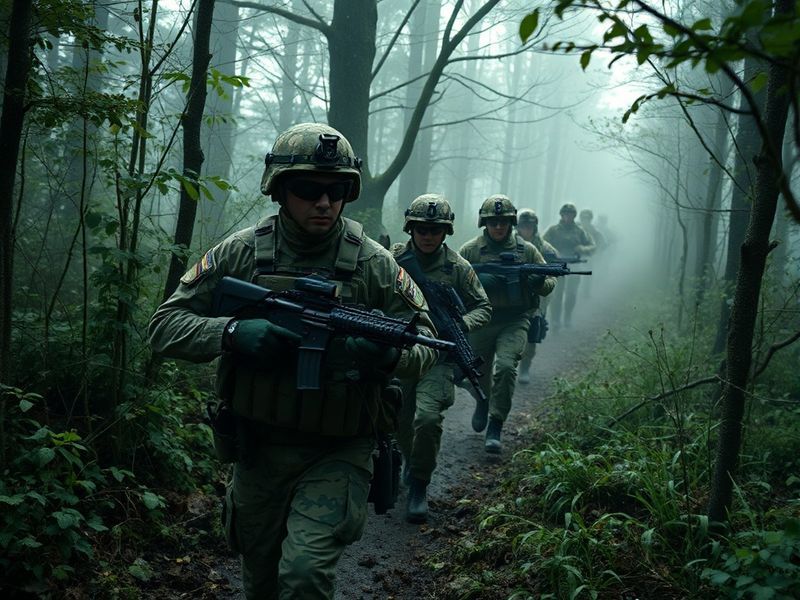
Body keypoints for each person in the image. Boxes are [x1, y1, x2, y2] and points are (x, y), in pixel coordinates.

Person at [148, 123, 440, 600]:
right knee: (260, 583)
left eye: (337, 190)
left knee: (303, 576)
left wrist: (389, 356)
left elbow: (425, 345)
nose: (324, 203)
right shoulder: (241, 253)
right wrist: (232, 331)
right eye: (308, 189)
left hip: (340, 449)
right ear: (280, 191)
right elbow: (164, 327)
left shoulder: (376, 264)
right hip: (258, 447)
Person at [390, 194, 491, 523]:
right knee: (400, 419)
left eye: (435, 229)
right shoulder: (392, 259)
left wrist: (461, 324)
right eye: (421, 228)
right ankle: (410, 462)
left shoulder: (458, 267)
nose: (428, 235)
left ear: (445, 232)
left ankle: (419, 485)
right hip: (402, 350)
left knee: (428, 419)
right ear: (411, 228)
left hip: (439, 356)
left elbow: (483, 307)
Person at [459, 195, 556, 454]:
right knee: (474, 374)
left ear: (511, 222)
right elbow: (453, 281)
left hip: (516, 320)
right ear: (484, 223)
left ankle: (496, 424)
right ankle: (482, 400)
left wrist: (536, 280)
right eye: (493, 222)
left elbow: (549, 283)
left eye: (503, 222)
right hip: (481, 319)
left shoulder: (527, 251)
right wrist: (479, 282)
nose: (498, 227)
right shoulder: (470, 250)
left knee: (504, 368)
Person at [515, 209, 558, 384]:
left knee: (532, 336)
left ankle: (525, 367)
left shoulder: (546, 249)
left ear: (535, 227)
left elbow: (553, 275)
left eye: (529, 226)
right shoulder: (508, 244)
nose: (526, 230)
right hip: (512, 298)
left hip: (537, 300)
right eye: (523, 226)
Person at [542, 203, 595, 329]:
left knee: (571, 294)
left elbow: (592, 246)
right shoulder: (553, 229)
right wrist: (551, 252)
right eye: (565, 214)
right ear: (561, 215)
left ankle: (567, 318)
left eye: (570, 214)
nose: (568, 217)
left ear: (574, 216)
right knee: (557, 294)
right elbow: (541, 243)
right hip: (557, 265)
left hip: (574, 266)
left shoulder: (580, 231)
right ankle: (555, 320)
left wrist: (583, 248)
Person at [578, 208, 606, 299]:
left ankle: (585, 293)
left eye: (587, 219)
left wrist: (596, 253)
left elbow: (603, 243)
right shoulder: (574, 228)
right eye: (584, 219)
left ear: (590, 220)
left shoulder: (595, 231)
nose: (585, 221)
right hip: (574, 256)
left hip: (588, 257)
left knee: (587, 277)